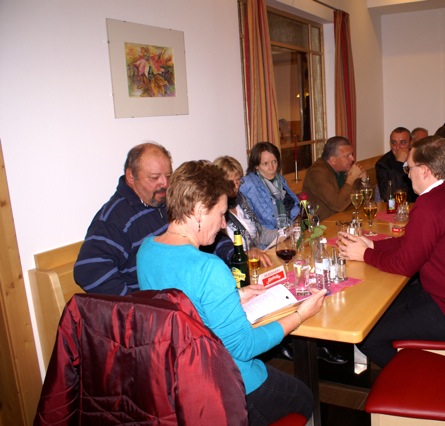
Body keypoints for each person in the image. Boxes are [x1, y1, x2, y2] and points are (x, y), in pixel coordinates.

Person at [137, 160, 326, 425]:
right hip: (228, 385)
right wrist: (300, 315)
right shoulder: (209, 267)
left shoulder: (146, 251)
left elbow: (180, 308)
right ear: (200, 210)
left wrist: (232, 296)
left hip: (179, 382)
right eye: (221, 213)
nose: (224, 223)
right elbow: (244, 346)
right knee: (304, 398)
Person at [338, 136, 445, 368]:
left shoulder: (430, 205)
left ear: (425, 170)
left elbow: (405, 265)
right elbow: (412, 243)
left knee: (367, 335)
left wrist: (364, 255)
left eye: (408, 168)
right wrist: (372, 245)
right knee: (377, 311)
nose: (407, 174)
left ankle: (415, 379)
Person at [74, 142, 172, 295]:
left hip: (175, 292)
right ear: (131, 177)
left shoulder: (165, 201)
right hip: (151, 304)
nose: (165, 184)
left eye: (168, 176)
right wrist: (133, 303)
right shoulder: (114, 219)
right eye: (154, 178)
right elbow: (88, 271)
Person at [302, 136, 367, 221]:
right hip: (321, 225)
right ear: (333, 160)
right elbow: (338, 205)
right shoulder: (317, 173)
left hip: (343, 220)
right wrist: (351, 179)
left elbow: (363, 202)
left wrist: (364, 180)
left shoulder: (343, 169)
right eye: (347, 156)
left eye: (352, 154)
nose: (352, 159)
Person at [240, 142, 300, 230]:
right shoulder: (248, 185)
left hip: (287, 230)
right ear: (256, 166)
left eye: (274, 162)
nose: (271, 167)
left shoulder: (280, 180)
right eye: (266, 163)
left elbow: (292, 210)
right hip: (267, 235)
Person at [375, 127, 417, 203]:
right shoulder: (383, 164)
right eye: (394, 143)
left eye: (403, 143)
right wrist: (398, 164)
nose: (398, 148)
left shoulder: (417, 159)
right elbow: (387, 196)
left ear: (410, 143)